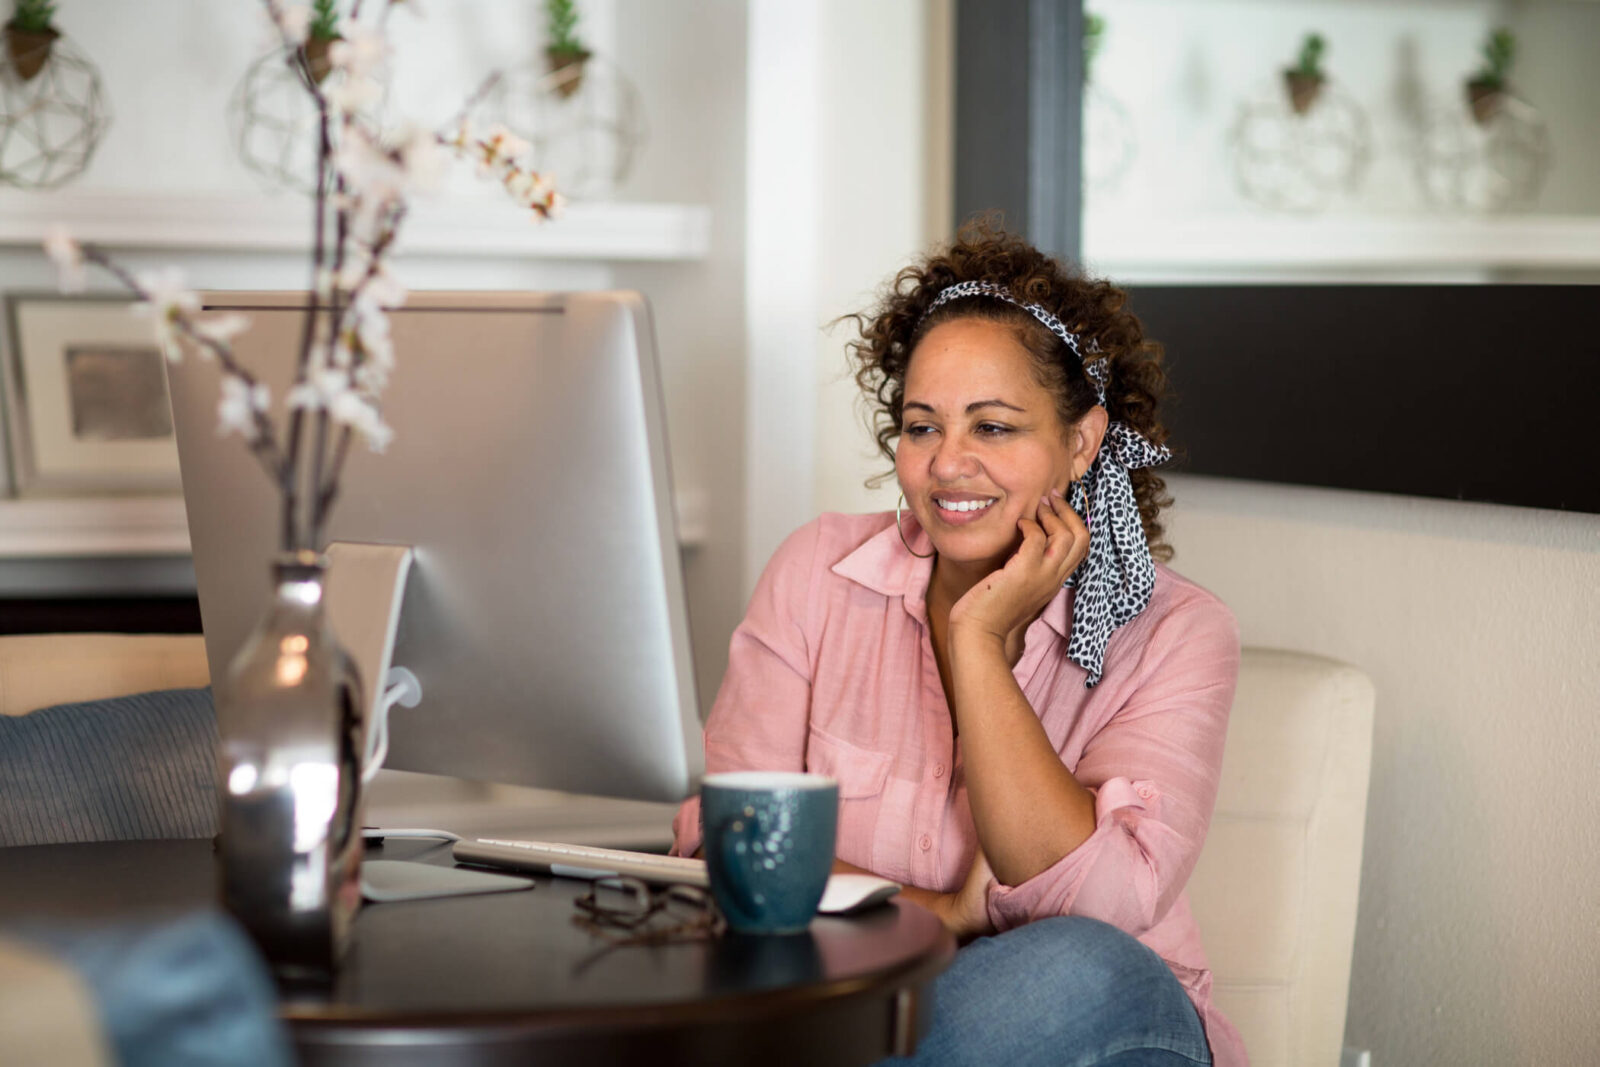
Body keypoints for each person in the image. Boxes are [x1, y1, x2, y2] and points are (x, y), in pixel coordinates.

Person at [671, 222, 1246, 1067]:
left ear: (1080, 441)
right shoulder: (817, 573)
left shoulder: (1176, 631)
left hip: (1108, 1035)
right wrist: (935, 912)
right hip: (855, 1013)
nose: (948, 465)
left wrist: (976, 640)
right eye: (921, 426)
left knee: (1076, 960)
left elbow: (1098, 904)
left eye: (994, 427)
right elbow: (718, 840)